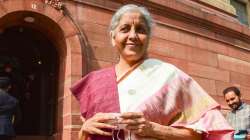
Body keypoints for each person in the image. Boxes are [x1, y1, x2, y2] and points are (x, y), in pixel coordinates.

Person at [71, 4, 234, 140]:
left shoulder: (170, 76)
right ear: (113, 37)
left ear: (148, 38)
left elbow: (210, 132)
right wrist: (84, 130)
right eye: (125, 29)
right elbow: (86, 135)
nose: (133, 36)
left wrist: (154, 129)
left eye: (141, 30)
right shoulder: (94, 82)